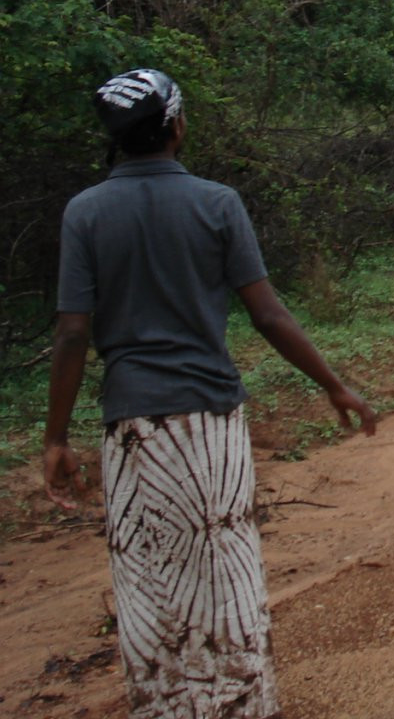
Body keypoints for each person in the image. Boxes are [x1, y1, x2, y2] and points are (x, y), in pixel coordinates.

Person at [42, 68, 376, 719]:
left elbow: (72, 335)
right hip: (209, 423)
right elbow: (269, 316)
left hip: (131, 425)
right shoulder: (217, 202)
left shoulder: (84, 212)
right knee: (223, 566)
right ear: (175, 126)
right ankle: (244, 705)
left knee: (146, 580)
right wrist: (334, 385)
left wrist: (56, 437)